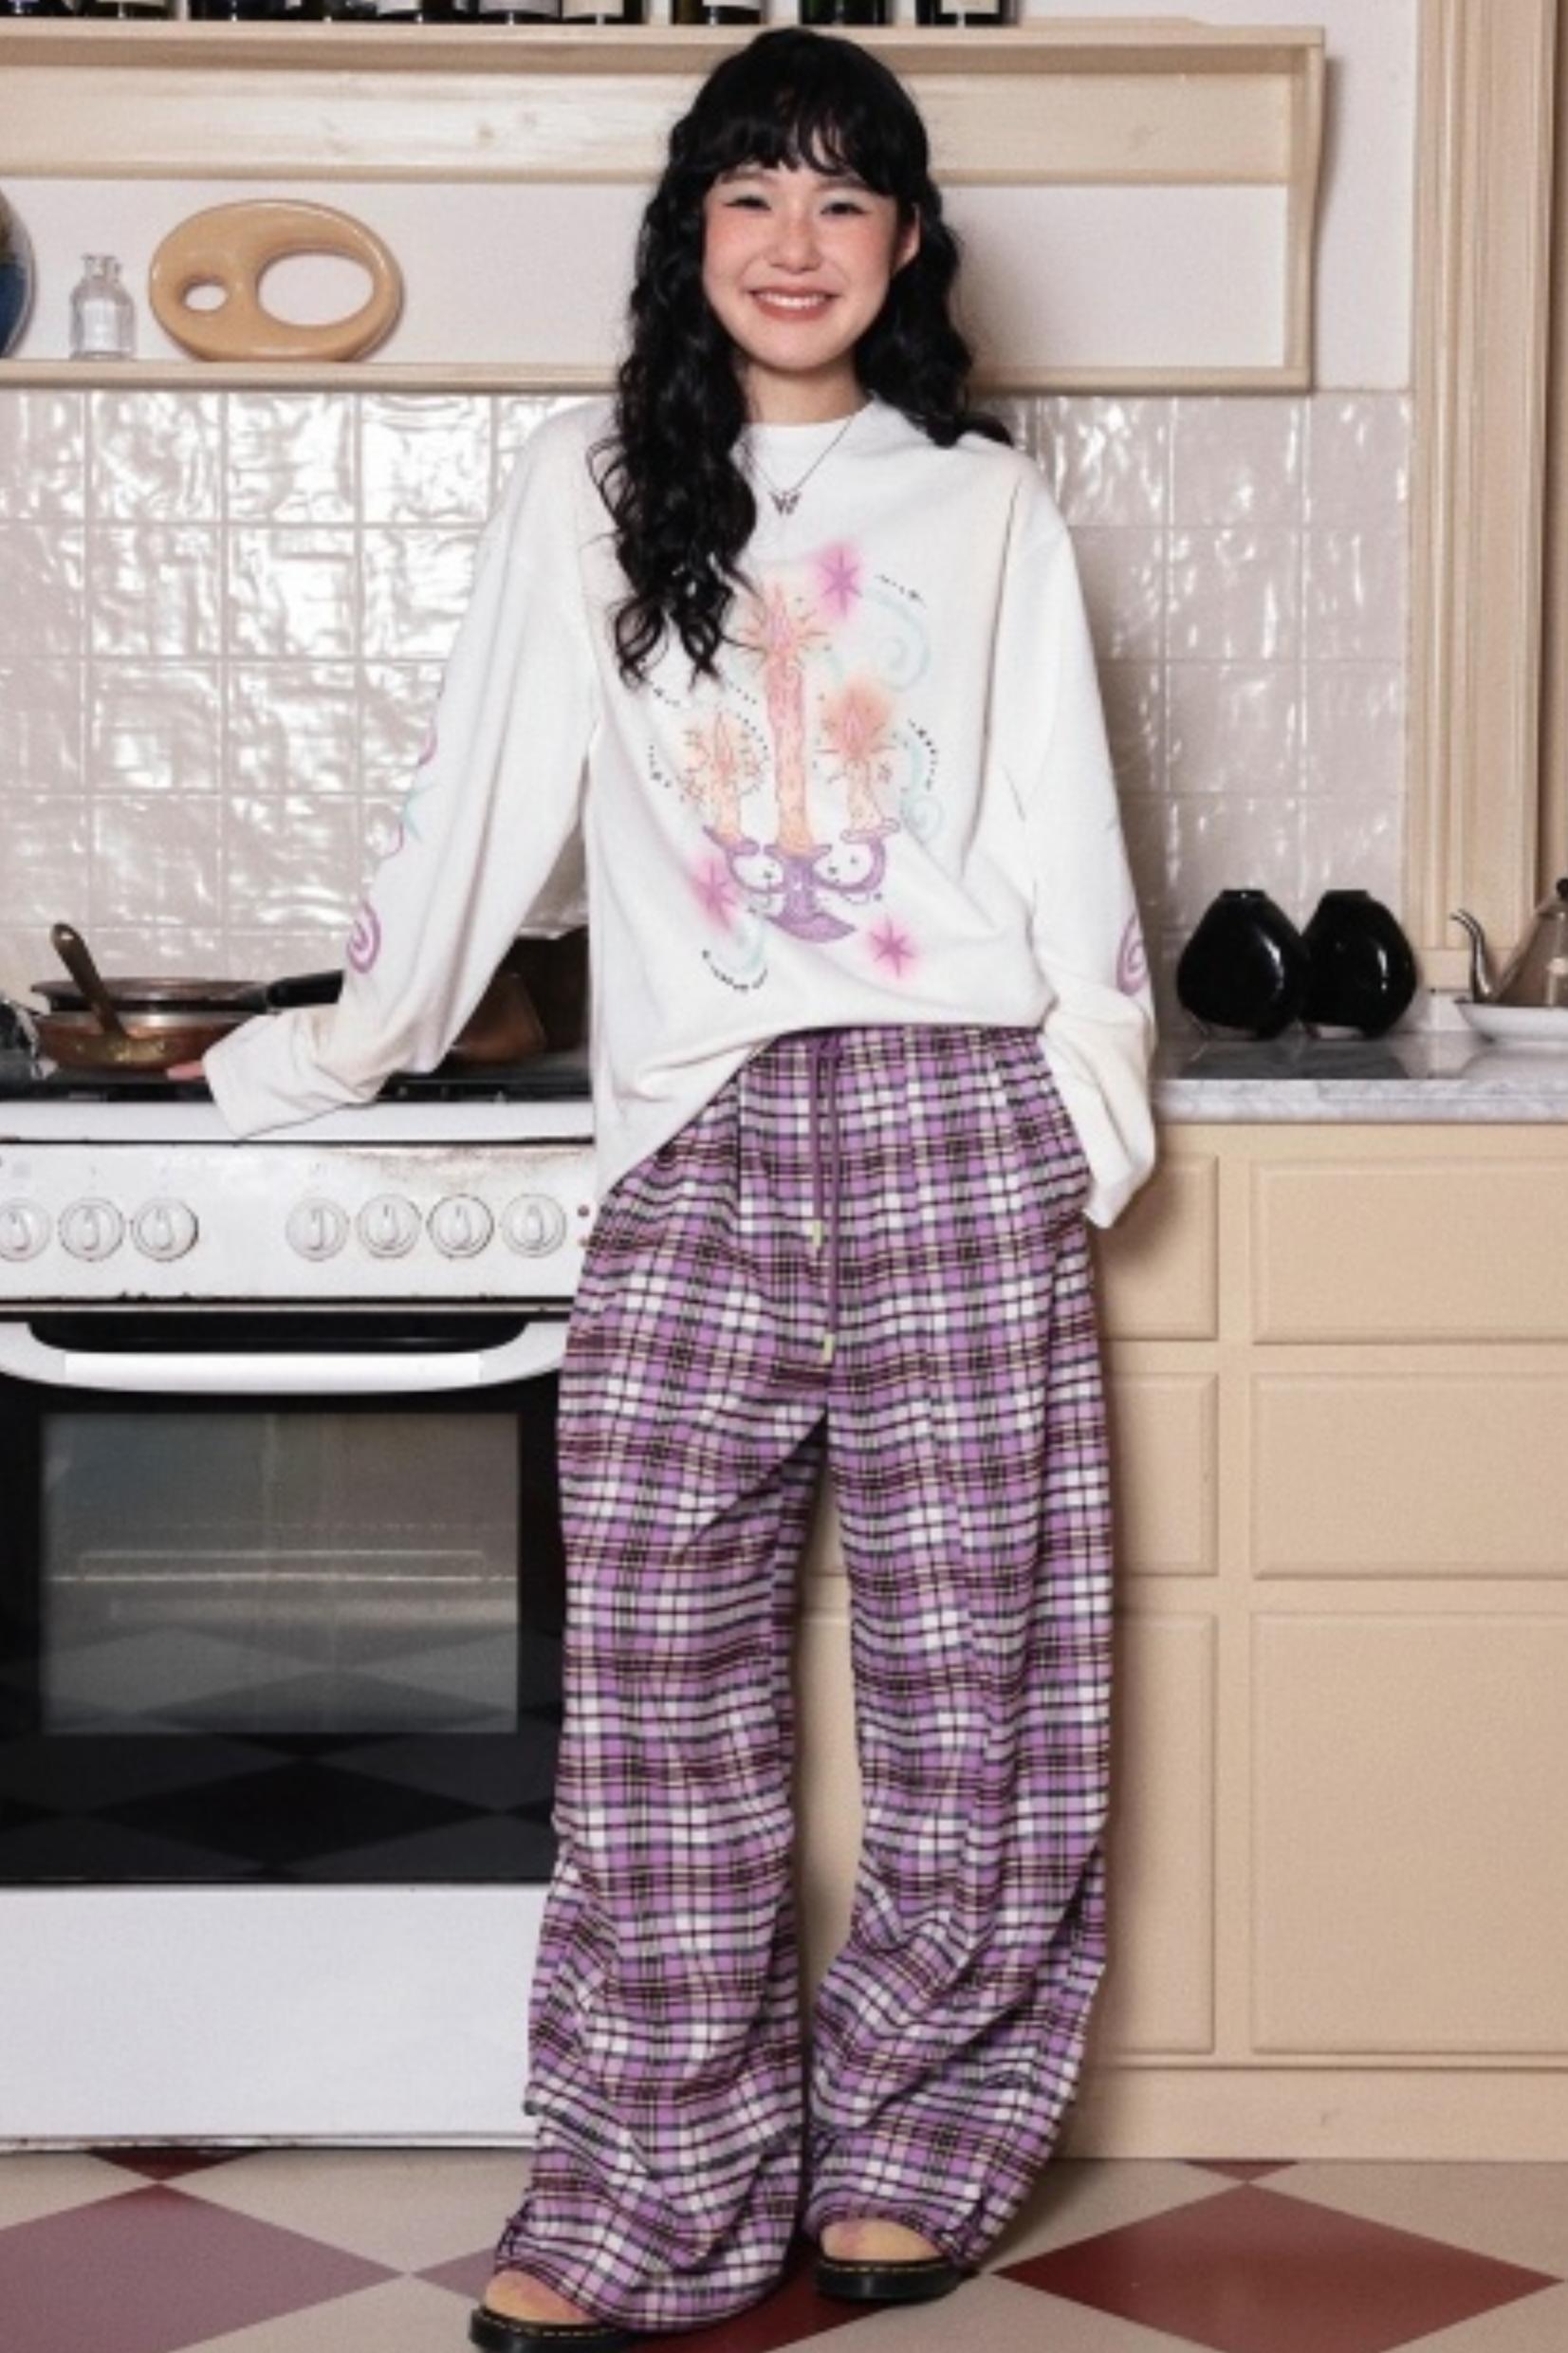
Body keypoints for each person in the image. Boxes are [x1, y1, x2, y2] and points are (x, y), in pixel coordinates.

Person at [181, 26, 1157, 2348]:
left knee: (975, 1678)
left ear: (904, 243)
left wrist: (1084, 1121)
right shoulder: (590, 485)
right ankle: (653, 2182)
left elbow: (1066, 831)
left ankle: (912, 2143)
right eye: (750, 193)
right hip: (697, 1138)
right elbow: (479, 803)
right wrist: (337, 1043)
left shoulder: (982, 506)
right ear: (688, 232)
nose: (793, 242)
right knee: (657, 1691)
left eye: (841, 198)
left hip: (951, 1118)